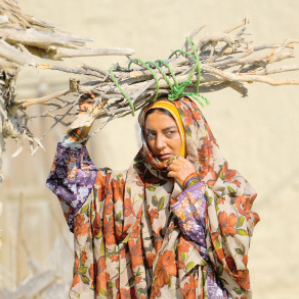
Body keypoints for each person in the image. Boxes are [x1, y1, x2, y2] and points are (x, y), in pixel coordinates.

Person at [46, 96, 260, 299]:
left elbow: (233, 249)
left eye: (169, 133)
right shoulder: (125, 187)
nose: (159, 144)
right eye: (151, 134)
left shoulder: (226, 186)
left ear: (190, 131)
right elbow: (67, 181)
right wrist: (83, 123)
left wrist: (193, 185)